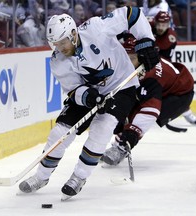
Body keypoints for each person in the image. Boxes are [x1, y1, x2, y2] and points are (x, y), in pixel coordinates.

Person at [18, 6, 159, 200]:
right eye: (55, 44)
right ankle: (41, 176)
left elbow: (131, 14)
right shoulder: (58, 60)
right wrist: (90, 97)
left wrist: (145, 41)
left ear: (73, 33)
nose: (59, 48)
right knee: (60, 132)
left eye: (62, 42)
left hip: (122, 85)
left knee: (103, 126)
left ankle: (79, 176)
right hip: (89, 91)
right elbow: (74, 89)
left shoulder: (96, 28)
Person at [101, 34, 195, 166]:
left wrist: (131, 135)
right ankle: (118, 144)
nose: (127, 63)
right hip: (167, 85)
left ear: (140, 58)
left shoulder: (150, 76)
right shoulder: (139, 65)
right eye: (125, 58)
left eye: (132, 58)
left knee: (139, 113)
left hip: (179, 94)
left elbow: (150, 111)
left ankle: (121, 148)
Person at [152, 11, 196, 125]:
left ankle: (187, 113)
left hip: (160, 66)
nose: (160, 27)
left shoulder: (170, 38)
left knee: (170, 92)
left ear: (168, 24)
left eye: (164, 25)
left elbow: (164, 60)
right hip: (142, 64)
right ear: (155, 22)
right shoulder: (148, 26)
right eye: (159, 24)